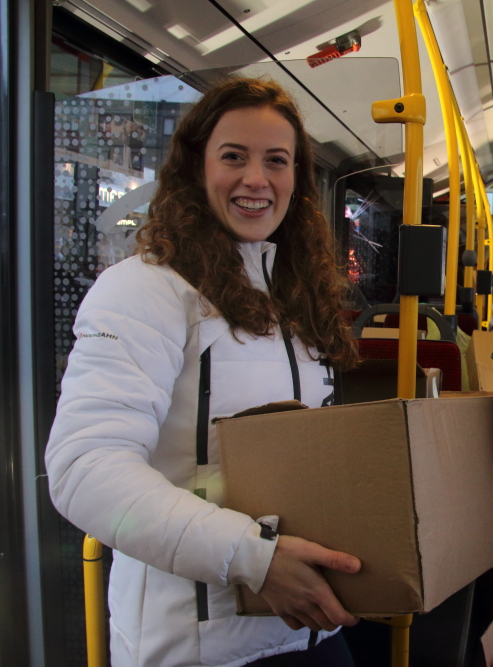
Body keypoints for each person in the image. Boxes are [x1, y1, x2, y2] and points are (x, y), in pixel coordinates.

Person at [46, 78, 363, 666]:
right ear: (197, 168)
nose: (256, 179)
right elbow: (83, 469)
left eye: (276, 161)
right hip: (197, 645)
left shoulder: (293, 296)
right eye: (234, 157)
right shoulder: (143, 290)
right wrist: (255, 558)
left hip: (309, 626)